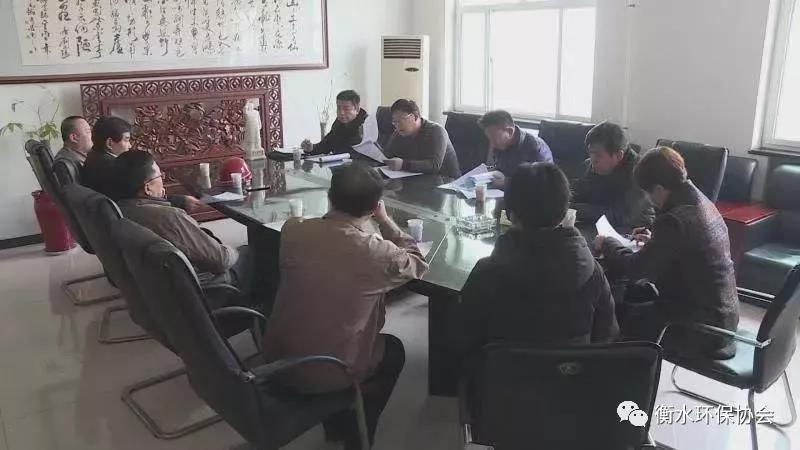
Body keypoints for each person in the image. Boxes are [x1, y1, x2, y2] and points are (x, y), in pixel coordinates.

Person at [262, 163, 428, 449]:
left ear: (330, 197)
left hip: (274, 360)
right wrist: (386, 221)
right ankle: (357, 437)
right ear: (374, 207)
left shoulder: (293, 230)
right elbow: (417, 262)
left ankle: (335, 425)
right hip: (324, 372)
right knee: (394, 351)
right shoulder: (376, 252)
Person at [450, 163, 618, 363]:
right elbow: (606, 339)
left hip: (502, 377)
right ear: (564, 213)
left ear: (510, 214)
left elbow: (462, 341)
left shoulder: (487, 272)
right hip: (571, 377)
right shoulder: (592, 272)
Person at [594, 147, 739, 359]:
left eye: (648, 193)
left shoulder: (674, 220)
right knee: (634, 296)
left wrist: (607, 243)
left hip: (699, 328)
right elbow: (684, 245)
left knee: (614, 315)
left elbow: (636, 269)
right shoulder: (701, 200)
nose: (648, 199)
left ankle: (626, 375)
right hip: (722, 317)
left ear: (660, 189)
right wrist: (655, 239)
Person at [113, 150, 255, 300]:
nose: (163, 180)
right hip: (194, 292)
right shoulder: (168, 217)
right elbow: (221, 260)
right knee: (248, 253)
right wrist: (231, 250)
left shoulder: (120, 209)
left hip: (158, 290)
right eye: (160, 176)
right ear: (148, 188)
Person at [572, 121, 654, 230]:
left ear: (619, 155)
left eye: (598, 155)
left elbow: (622, 215)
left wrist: (576, 209)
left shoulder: (640, 173)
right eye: (591, 152)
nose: (592, 160)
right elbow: (576, 193)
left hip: (631, 230)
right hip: (595, 225)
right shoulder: (589, 165)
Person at [383, 99, 461, 178]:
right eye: (395, 122)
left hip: (446, 180)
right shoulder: (399, 132)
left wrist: (403, 164)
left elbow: (434, 165)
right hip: (417, 179)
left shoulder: (436, 131)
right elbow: (387, 155)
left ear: (415, 116)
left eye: (400, 121)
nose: (397, 126)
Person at [479, 110, 553, 189]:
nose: (492, 143)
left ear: (510, 131)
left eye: (494, 138)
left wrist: (506, 182)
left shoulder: (534, 148)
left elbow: (539, 184)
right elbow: (498, 169)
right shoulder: (500, 145)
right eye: (489, 138)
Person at [302, 90, 378, 155]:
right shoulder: (339, 123)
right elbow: (327, 144)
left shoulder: (367, 124)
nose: (341, 112)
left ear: (357, 109)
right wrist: (311, 148)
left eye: (346, 109)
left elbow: (351, 151)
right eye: (338, 108)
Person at [82, 116, 133, 199]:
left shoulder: (94, 155)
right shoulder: (113, 166)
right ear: (110, 143)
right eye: (126, 140)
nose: (130, 146)